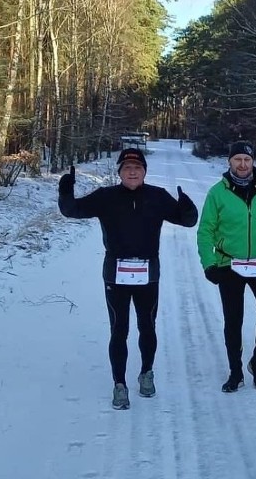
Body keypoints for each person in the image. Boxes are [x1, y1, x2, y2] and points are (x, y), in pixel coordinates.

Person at [58, 148, 198, 410]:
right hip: (116, 274)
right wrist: (66, 191)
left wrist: (187, 207)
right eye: (127, 168)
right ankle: (119, 384)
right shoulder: (106, 197)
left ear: (144, 171)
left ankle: (146, 373)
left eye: (137, 168)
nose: (132, 172)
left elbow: (187, 221)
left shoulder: (156, 196)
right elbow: (72, 210)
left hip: (148, 274)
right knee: (119, 329)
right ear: (119, 172)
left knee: (147, 326)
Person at [197, 141, 256, 393]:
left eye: (247, 160)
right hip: (230, 264)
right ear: (229, 162)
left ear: (253, 162)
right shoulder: (218, 192)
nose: (242, 164)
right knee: (233, 319)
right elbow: (205, 231)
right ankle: (235, 370)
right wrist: (209, 263)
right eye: (237, 159)